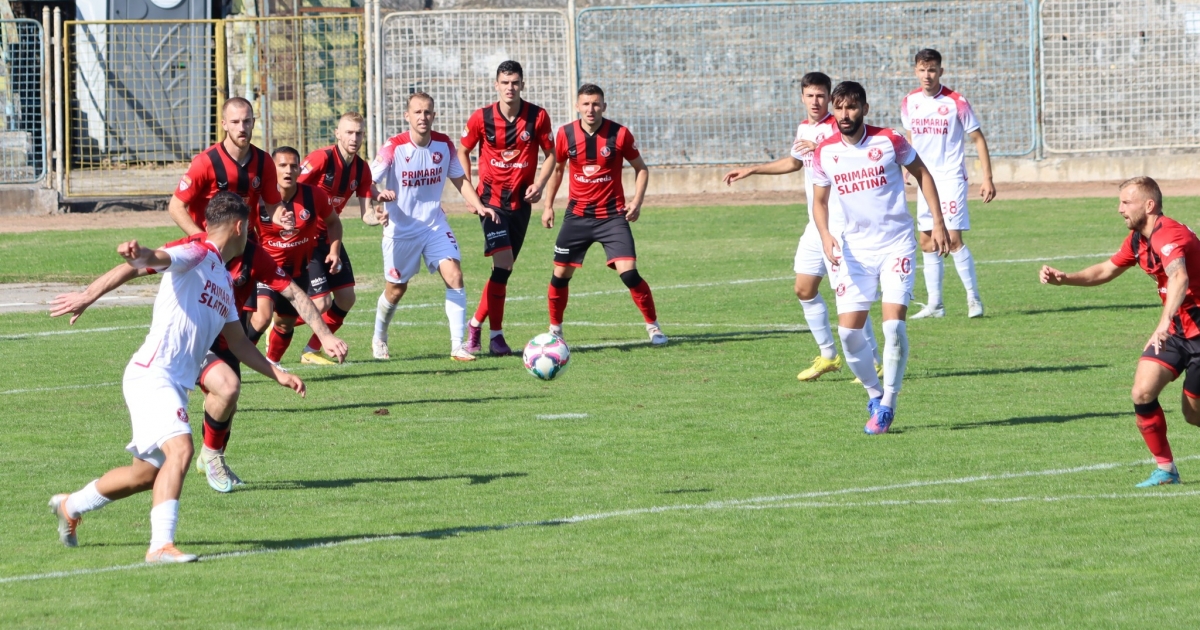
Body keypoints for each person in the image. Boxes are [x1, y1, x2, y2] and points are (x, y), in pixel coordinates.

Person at [48, 195, 306, 563]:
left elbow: (238, 344)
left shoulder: (222, 278)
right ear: (238, 227)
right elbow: (154, 260)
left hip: (171, 384)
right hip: (153, 374)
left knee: (146, 475)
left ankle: (71, 506)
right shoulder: (197, 251)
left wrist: (277, 373)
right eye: (248, 228)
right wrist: (107, 280)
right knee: (182, 450)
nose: (249, 234)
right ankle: (160, 546)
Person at [1040, 177, 1200, 487]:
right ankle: (1166, 471)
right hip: (1177, 331)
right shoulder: (1139, 240)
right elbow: (1105, 270)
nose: (1120, 210)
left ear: (1149, 205)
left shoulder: (1170, 235)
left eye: (1126, 203)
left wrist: (1163, 323)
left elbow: (1179, 277)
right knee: (1142, 392)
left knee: (1193, 415)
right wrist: (1066, 278)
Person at [723, 71, 881, 382]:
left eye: (821, 96)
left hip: (841, 227)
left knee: (848, 295)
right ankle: (828, 355)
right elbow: (795, 162)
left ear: (830, 98)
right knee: (804, 289)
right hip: (816, 224)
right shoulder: (804, 129)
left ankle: (874, 359)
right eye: (810, 96)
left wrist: (822, 145)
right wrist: (752, 169)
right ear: (802, 98)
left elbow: (856, 157)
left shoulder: (842, 127)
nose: (816, 101)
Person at [811, 81, 949, 435]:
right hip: (854, 251)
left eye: (852, 107)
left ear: (865, 110)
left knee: (892, 326)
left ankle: (889, 402)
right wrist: (825, 235)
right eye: (839, 107)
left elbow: (922, 174)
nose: (844, 114)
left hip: (895, 246)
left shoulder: (889, 140)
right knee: (848, 334)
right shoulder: (824, 151)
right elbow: (820, 201)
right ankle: (874, 393)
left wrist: (937, 222)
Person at [370, 92, 498, 361]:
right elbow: (368, 181)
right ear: (407, 116)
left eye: (427, 112)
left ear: (434, 115)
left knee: (455, 275)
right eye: (417, 112)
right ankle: (379, 336)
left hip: (433, 224)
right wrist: (377, 196)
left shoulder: (444, 145)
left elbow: (460, 180)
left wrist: (480, 204)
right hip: (400, 230)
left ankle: (457, 346)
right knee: (395, 290)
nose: (423, 117)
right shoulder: (393, 147)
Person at [541, 84, 666, 345]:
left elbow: (641, 169)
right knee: (560, 275)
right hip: (577, 216)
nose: (591, 109)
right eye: (586, 104)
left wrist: (637, 201)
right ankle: (555, 330)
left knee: (629, 273)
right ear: (578, 106)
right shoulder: (565, 134)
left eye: (596, 104)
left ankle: (654, 328)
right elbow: (558, 170)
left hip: (612, 217)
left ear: (604, 107)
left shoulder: (619, 134)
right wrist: (548, 205)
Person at [459, 60, 557, 356]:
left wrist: (539, 184)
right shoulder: (481, 118)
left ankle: (477, 324)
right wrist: (470, 193)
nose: (510, 87)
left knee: (504, 269)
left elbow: (551, 154)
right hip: (490, 204)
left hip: (521, 204)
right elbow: (462, 149)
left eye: (515, 82)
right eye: (505, 82)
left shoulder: (537, 117)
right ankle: (495, 336)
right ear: (496, 85)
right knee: (503, 265)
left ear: (522, 85)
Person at [901, 48, 996, 320]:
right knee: (927, 241)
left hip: (950, 176)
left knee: (953, 240)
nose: (927, 75)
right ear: (915, 71)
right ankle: (936, 305)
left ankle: (973, 299)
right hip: (923, 178)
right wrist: (910, 169)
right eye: (922, 69)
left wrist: (987, 177)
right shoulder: (909, 101)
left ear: (940, 71)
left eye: (932, 69)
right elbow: (911, 135)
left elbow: (978, 138)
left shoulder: (956, 102)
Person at [295, 112, 379, 364]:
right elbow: (289, 188)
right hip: (306, 239)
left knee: (346, 299)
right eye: (349, 132)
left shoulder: (362, 168)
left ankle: (311, 350)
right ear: (338, 134)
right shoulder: (321, 159)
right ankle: (279, 321)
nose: (354, 138)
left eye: (359, 133)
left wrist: (381, 218)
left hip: (331, 237)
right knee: (321, 302)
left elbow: (367, 214)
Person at [250, 147, 341, 367]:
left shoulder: (313, 195)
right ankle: (228, 360)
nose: (288, 170)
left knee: (284, 324)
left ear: (300, 169)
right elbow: (242, 229)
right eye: (282, 165)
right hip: (266, 269)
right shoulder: (259, 199)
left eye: (293, 166)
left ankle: (273, 362)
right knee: (262, 318)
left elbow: (333, 222)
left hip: (297, 271)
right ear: (273, 169)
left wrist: (334, 251)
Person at [169, 97, 281, 235]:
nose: (241, 128)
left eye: (246, 121)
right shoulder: (206, 161)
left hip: (245, 241)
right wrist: (200, 238)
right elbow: (175, 207)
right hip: (212, 244)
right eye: (235, 122)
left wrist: (283, 217)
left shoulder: (264, 161)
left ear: (253, 122)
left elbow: (273, 205)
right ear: (224, 124)